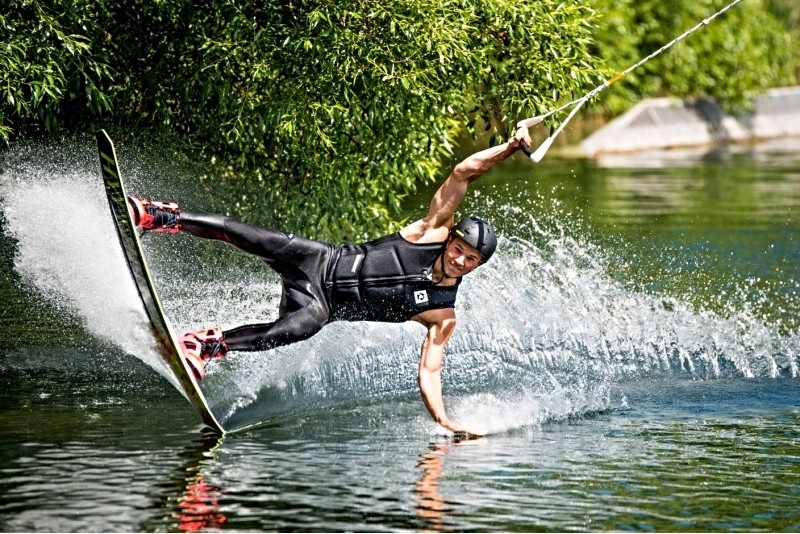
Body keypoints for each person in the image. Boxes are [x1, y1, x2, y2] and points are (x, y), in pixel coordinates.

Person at [128, 127, 532, 437]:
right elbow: (463, 173)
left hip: (322, 307)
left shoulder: (442, 314)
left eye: (471, 258)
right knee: (249, 236)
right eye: (460, 247)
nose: (461, 258)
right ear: (453, 238)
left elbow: (430, 371)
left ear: (477, 265)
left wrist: (445, 421)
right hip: (320, 259)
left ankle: (205, 345)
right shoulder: (431, 231)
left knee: (296, 330)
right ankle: (157, 216)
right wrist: (511, 147)